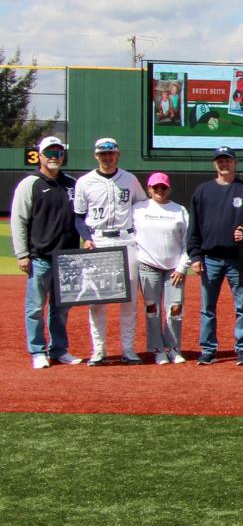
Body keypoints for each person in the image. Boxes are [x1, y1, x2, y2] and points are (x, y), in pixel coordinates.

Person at [73, 136, 146, 365]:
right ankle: (99, 350)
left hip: (126, 240)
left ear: (118, 154)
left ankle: (128, 349)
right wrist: (86, 238)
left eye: (111, 153)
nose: (107, 157)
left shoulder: (130, 179)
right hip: (99, 241)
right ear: (96, 156)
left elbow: (141, 207)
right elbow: (78, 217)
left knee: (130, 300)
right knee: (96, 300)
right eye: (103, 153)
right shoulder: (85, 182)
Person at [12, 135, 82, 368]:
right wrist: (22, 253)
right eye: (50, 153)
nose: (54, 157)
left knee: (61, 309)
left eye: (58, 153)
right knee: (35, 308)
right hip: (40, 256)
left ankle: (59, 349)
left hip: (68, 258)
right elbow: (19, 220)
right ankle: (37, 351)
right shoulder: (30, 183)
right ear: (40, 156)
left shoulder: (72, 183)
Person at [187, 145, 243, 366]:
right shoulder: (203, 191)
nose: (224, 163)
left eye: (227, 160)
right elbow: (194, 227)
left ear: (235, 163)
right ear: (215, 164)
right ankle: (208, 349)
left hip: (238, 258)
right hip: (210, 258)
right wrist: (195, 256)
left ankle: (242, 348)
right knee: (207, 308)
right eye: (220, 160)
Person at [132, 172, 190, 365]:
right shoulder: (138, 209)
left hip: (174, 269)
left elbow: (187, 242)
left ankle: (174, 348)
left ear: (169, 189)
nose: (159, 190)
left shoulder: (179, 210)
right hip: (148, 266)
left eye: (163, 187)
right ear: (148, 189)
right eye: (155, 187)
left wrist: (182, 266)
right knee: (152, 309)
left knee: (175, 308)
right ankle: (157, 349)